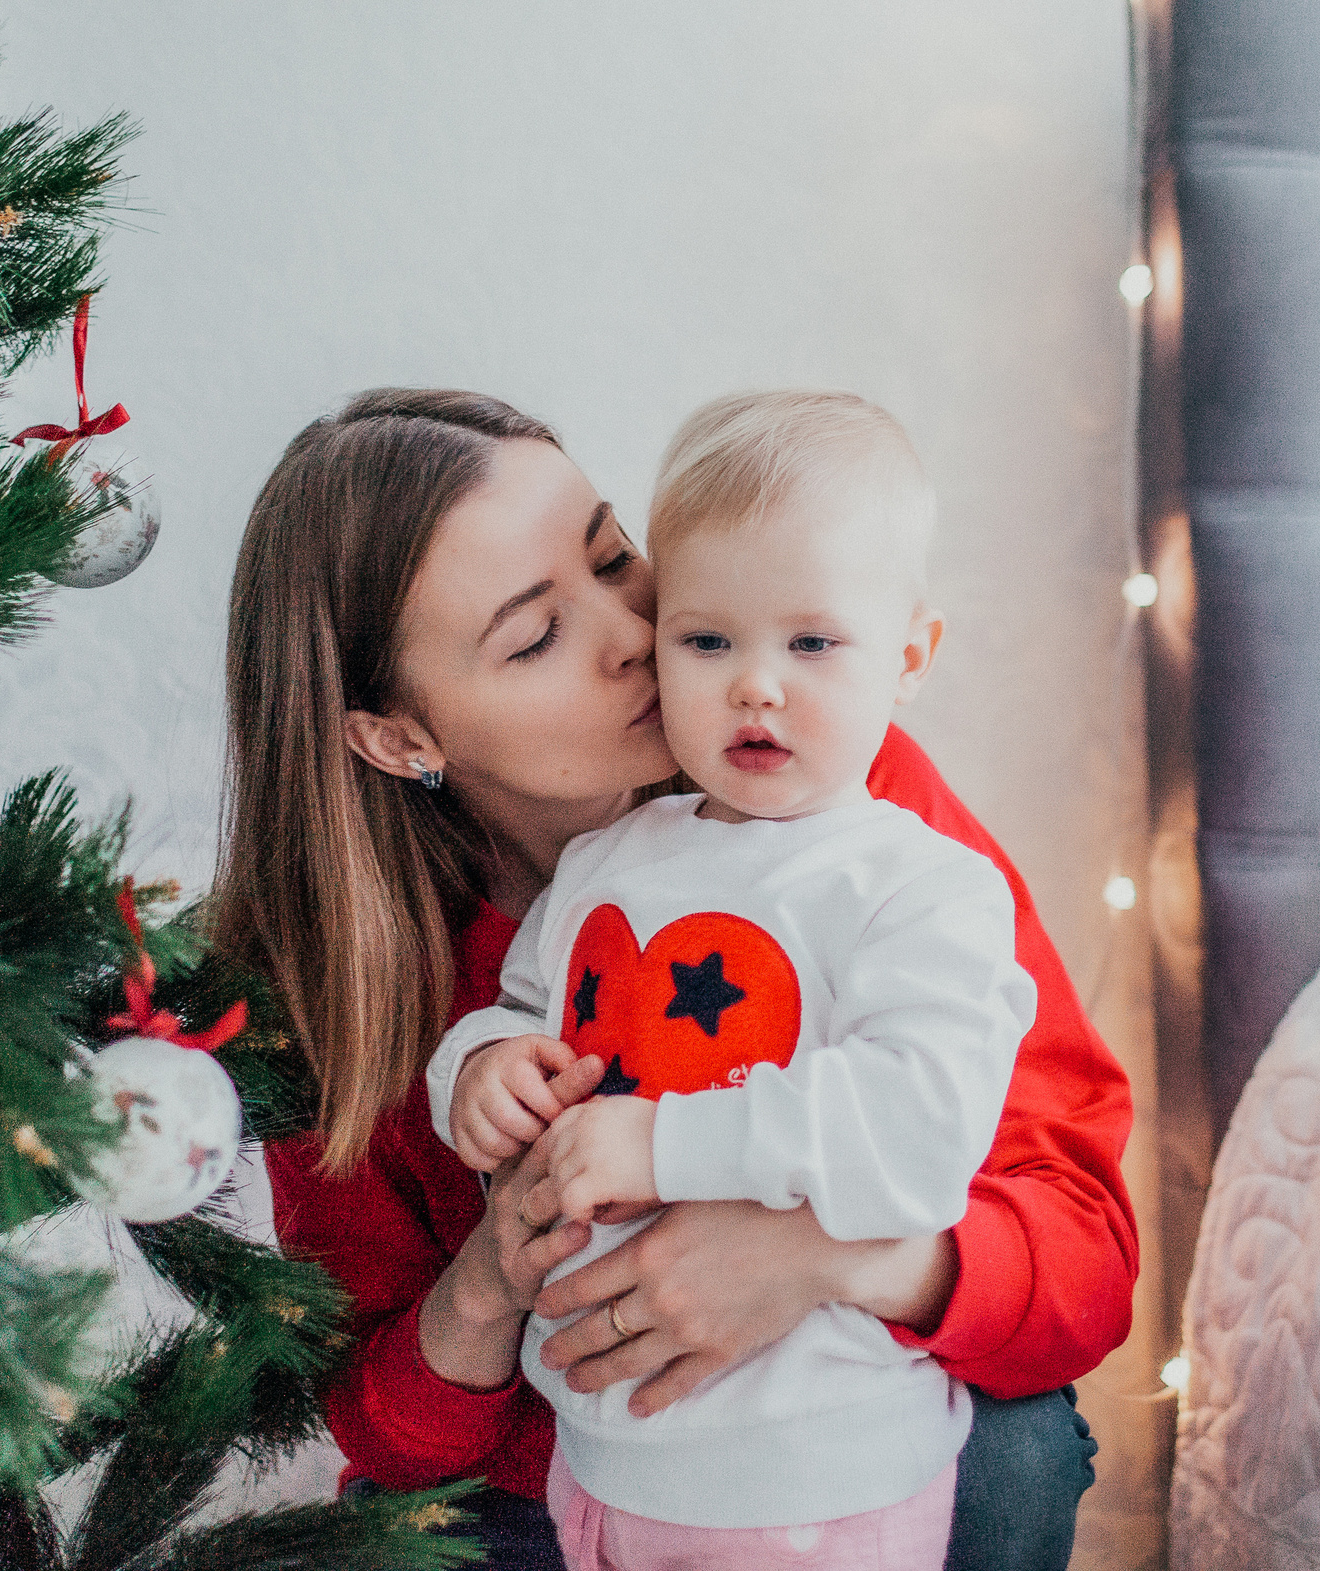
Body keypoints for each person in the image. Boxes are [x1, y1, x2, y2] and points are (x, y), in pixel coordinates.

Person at [210, 388, 1136, 1570]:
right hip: (562, 1487)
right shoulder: (345, 982)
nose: (629, 634)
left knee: (1012, 1446)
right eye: (535, 635)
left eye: (614, 558)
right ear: (398, 737)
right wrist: (490, 1280)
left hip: (838, 1443)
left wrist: (826, 1257)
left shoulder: (847, 795)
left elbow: (1085, 1252)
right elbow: (385, 1437)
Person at [430, 390, 1033, 1569]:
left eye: (811, 642)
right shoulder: (606, 864)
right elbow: (518, 1010)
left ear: (908, 655)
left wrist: (662, 1146)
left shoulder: (916, 883)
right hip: (600, 1466)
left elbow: (919, 1131)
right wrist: (481, 1066)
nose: (757, 683)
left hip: (810, 1472)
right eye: (707, 641)